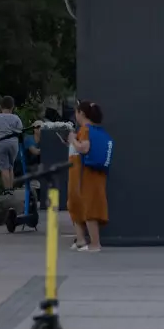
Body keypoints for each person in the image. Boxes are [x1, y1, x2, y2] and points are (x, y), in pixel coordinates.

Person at [67, 101, 109, 252]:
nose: (75, 116)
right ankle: (80, 239)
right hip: (83, 173)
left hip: (83, 174)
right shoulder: (92, 130)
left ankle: (94, 244)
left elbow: (84, 148)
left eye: (76, 113)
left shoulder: (85, 129)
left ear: (81, 114)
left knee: (86, 205)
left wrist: (73, 140)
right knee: (77, 204)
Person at [0, 96, 24, 192]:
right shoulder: (16, 118)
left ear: (0, 106)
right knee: (10, 167)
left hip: (1, 142)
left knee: (4, 168)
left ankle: (7, 190)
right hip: (13, 144)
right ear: (13, 107)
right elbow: (20, 130)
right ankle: (12, 189)